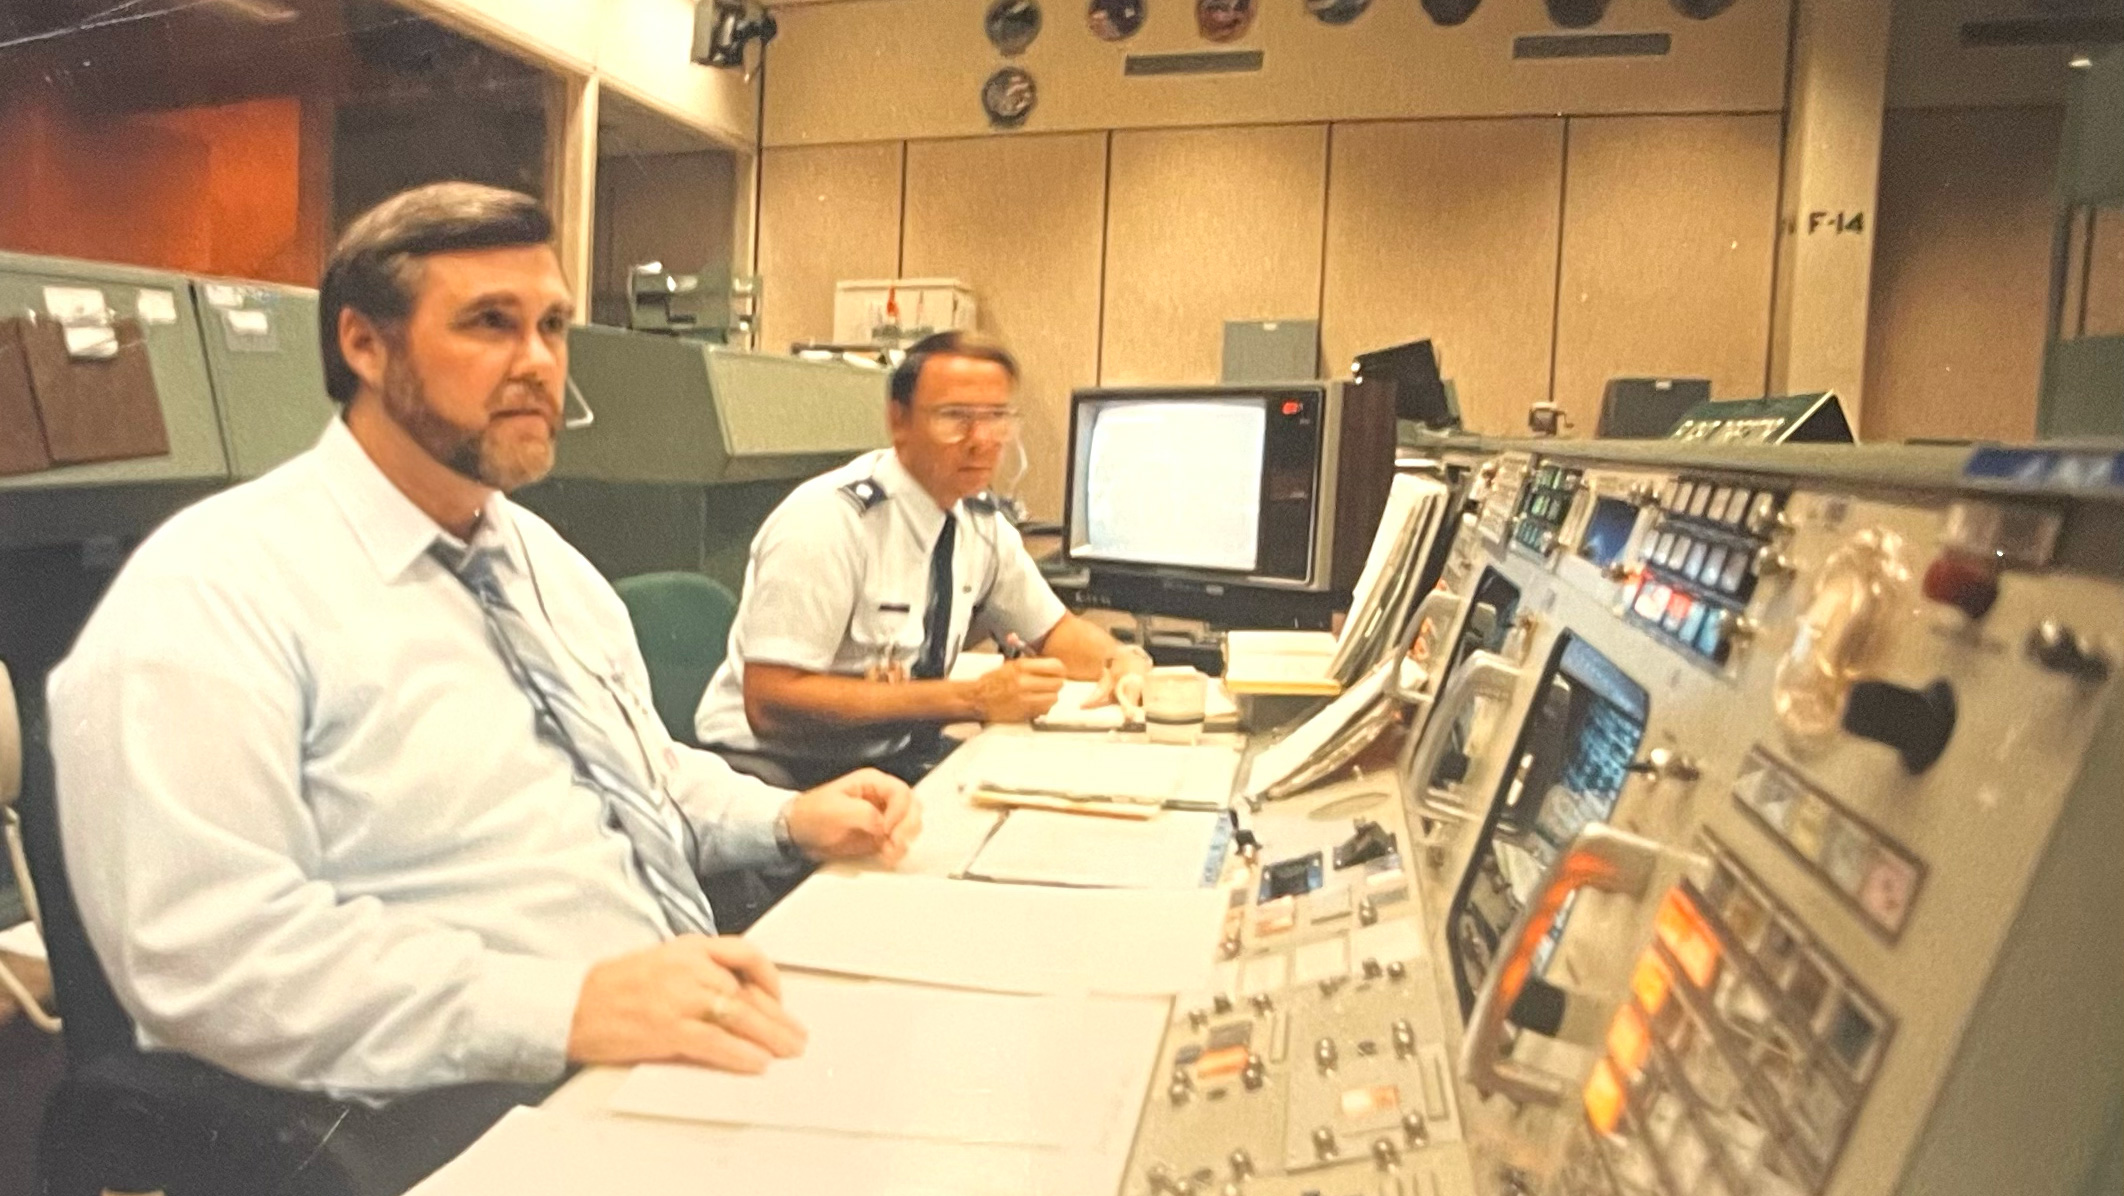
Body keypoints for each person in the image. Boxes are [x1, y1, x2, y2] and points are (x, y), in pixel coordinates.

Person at [47, 182, 920, 1108]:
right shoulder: (214, 591)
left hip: (661, 1031)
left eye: (552, 326)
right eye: (490, 324)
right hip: (460, 1095)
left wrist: (784, 818)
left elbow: (641, 774)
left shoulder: (540, 560)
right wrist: (565, 1008)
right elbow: (209, 952)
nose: (539, 363)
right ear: (364, 345)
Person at [693, 331, 1153, 789]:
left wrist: (1123, 661)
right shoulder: (828, 521)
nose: (981, 440)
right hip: (776, 773)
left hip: (890, 760)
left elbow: (1054, 632)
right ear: (899, 421)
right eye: (954, 417)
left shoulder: (979, 523)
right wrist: (972, 699)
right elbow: (771, 701)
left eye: (997, 418)